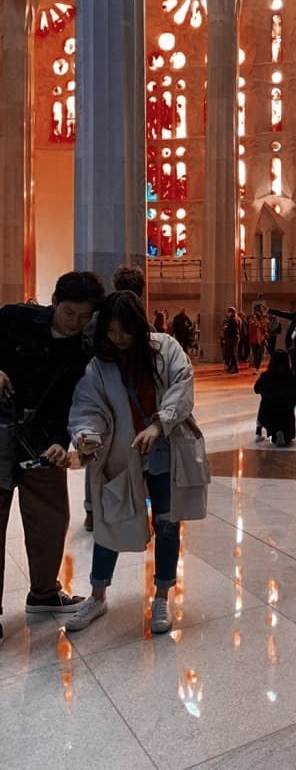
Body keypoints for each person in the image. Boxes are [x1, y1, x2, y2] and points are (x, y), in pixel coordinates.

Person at [64, 291, 209, 633]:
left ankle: (161, 596)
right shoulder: (100, 365)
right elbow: (90, 407)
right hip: (121, 452)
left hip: (165, 450)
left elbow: (182, 386)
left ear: (138, 326)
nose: (119, 339)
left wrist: (159, 425)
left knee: (168, 522)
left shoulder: (165, 348)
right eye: (111, 332)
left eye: (125, 331)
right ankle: (97, 595)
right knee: (110, 518)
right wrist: (86, 434)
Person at [0, 271, 105, 643]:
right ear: (55, 301)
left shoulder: (83, 351)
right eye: (69, 313)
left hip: (43, 442)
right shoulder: (14, 318)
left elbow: (74, 403)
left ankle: (44, 593)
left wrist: (64, 441)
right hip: (1, 432)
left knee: (50, 518)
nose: (75, 323)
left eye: (83, 317)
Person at [83, 264, 147, 532]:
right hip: (116, 396)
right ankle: (107, 508)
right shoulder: (137, 322)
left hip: (103, 394)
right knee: (107, 451)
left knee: (97, 453)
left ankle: (93, 510)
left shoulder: (99, 319)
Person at [254, 350, 296, 446]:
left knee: (265, 402)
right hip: (286, 414)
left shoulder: (266, 376)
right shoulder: (291, 377)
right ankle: (281, 432)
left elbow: (256, 389)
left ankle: (259, 432)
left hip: (269, 414)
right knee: (287, 437)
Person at [222, 307, 240, 373]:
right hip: (232, 338)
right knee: (231, 354)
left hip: (231, 339)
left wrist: (226, 328)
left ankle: (235, 368)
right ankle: (231, 367)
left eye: (228, 312)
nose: (227, 313)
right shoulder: (234, 319)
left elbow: (233, 330)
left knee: (232, 354)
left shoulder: (232, 320)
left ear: (231, 312)